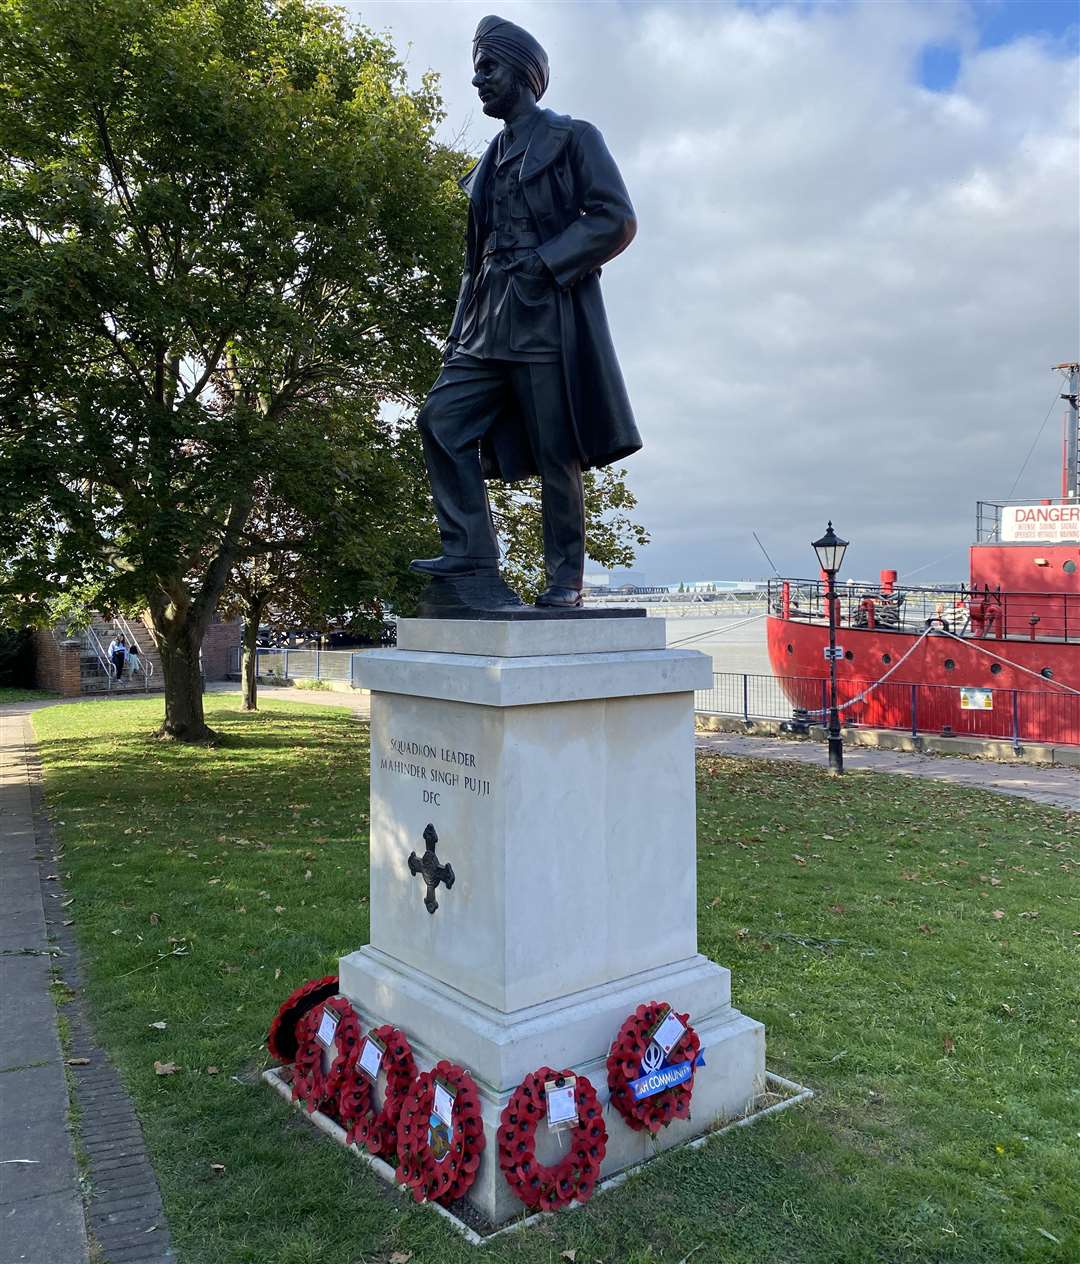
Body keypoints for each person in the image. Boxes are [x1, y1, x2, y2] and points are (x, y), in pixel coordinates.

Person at [410, 14, 640, 609]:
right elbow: (473, 257)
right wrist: (458, 330)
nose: (478, 80)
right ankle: (470, 554)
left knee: (554, 451)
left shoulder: (572, 137)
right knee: (442, 419)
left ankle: (565, 577)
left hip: (545, 315)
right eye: (477, 68)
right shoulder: (490, 158)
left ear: (522, 73)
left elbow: (615, 218)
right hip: (486, 316)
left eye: (488, 67)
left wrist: (547, 261)